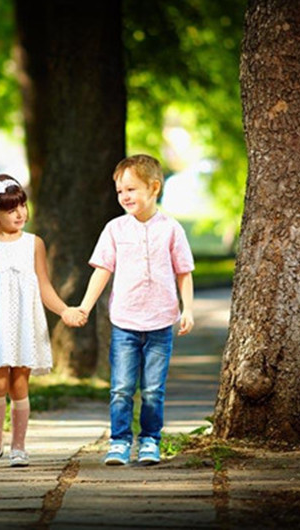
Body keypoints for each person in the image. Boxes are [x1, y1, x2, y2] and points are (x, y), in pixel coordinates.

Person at [78, 154, 195, 466]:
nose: (124, 196)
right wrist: (85, 307)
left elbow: (184, 272)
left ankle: (150, 441)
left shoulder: (171, 229)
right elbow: (102, 270)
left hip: (160, 324)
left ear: (153, 187)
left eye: (131, 189)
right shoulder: (115, 229)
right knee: (121, 388)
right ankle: (118, 442)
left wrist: (188, 310)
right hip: (125, 324)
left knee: (154, 390)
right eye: (120, 192)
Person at [0, 175, 86, 467]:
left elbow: (44, 286)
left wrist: (65, 310)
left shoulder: (34, 244)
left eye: (22, 206)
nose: (20, 213)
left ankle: (19, 446)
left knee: (19, 384)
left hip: (24, 323)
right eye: (10, 209)